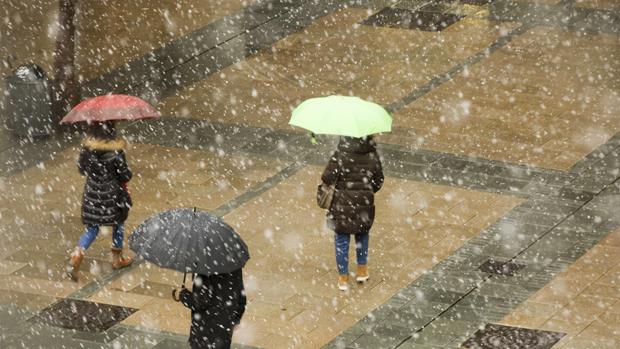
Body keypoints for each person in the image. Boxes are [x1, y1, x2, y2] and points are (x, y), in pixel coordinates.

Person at [66, 121, 133, 281]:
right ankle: (117, 259)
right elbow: (125, 175)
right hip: (113, 194)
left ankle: (77, 253)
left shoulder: (87, 149)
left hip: (92, 193)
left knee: (92, 228)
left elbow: (82, 169)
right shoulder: (116, 150)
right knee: (118, 222)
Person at [321, 136, 384, 291]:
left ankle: (343, 278)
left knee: (341, 238)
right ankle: (361, 271)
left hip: (342, 204)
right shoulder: (372, 153)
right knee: (362, 234)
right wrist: (367, 190)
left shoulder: (340, 153)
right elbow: (379, 180)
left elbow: (327, 178)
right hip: (364, 204)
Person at [178, 269, 246, 349]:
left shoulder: (204, 269)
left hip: (204, 331)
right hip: (224, 331)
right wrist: (236, 319)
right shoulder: (235, 266)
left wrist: (183, 294)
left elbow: (200, 302)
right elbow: (241, 299)